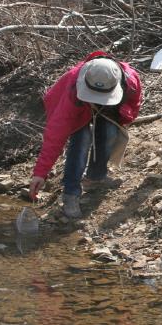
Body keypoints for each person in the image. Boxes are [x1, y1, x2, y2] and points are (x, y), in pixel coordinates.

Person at [29, 51, 142, 218]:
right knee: (81, 140)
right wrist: (40, 173)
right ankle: (70, 194)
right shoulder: (72, 88)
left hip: (109, 108)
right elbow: (55, 134)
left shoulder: (130, 80)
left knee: (109, 132)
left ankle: (96, 177)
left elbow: (134, 104)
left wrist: (123, 114)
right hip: (77, 107)